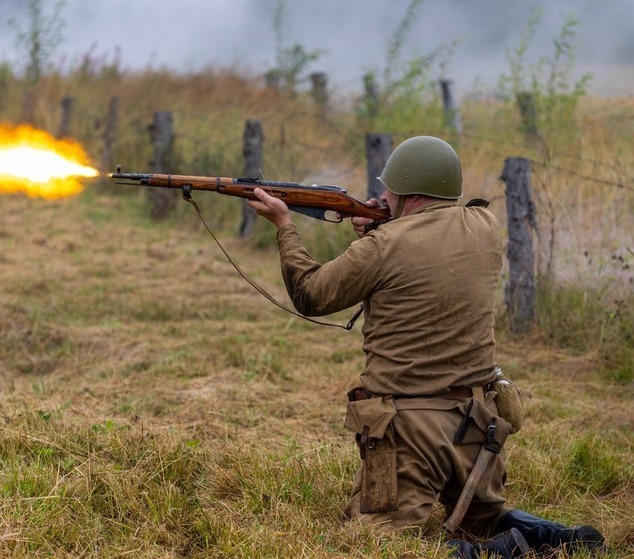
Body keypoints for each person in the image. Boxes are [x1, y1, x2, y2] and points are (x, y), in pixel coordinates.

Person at [247, 136, 606, 558]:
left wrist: (285, 227)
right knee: (483, 517)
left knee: (376, 544)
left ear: (412, 196)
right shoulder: (485, 228)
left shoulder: (382, 248)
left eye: (390, 191)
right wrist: (385, 226)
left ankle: (497, 553)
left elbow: (311, 295)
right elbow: (430, 247)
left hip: (411, 431)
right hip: (479, 426)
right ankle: (555, 538)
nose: (381, 196)